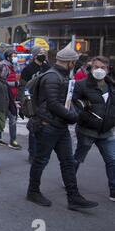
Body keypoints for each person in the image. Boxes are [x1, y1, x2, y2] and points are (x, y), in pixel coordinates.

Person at [27, 46, 98, 211]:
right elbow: (53, 104)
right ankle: (33, 191)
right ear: (70, 62)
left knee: (67, 162)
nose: (75, 64)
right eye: (74, 61)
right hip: (47, 126)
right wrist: (72, 116)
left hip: (58, 126)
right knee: (41, 160)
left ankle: (73, 197)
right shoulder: (53, 77)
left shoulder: (60, 75)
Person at [73, 56, 115, 202]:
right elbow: (74, 105)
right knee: (78, 158)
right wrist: (84, 116)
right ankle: (70, 183)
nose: (99, 70)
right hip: (87, 130)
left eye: (102, 67)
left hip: (107, 131)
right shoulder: (81, 85)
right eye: (96, 67)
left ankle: (113, 190)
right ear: (90, 69)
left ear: (108, 69)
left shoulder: (112, 85)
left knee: (112, 160)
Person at [20, 47, 51, 163]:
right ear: (34, 55)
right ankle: (32, 153)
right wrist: (23, 102)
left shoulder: (48, 68)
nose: (43, 55)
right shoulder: (27, 69)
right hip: (32, 102)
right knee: (33, 129)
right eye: (40, 53)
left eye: (44, 53)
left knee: (45, 128)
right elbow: (23, 87)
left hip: (46, 101)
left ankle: (41, 153)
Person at [0, 49, 22, 150]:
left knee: (8, 118)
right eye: (13, 56)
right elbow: (1, 82)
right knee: (11, 119)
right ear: (8, 57)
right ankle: (12, 140)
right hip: (6, 97)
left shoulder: (13, 66)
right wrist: (15, 84)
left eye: (16, 56)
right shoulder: (4, 66)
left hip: (12, 97)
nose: (15, 58)